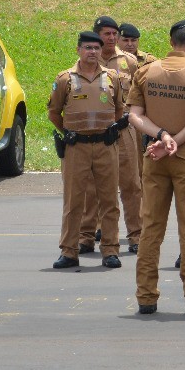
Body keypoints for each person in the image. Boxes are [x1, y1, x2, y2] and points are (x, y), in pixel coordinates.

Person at [127, 20, 185, 316]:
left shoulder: (145, 72)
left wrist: (162, 137)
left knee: (150, 228)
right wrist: (176, 141)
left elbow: (134, 116)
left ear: (170, 41)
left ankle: (145, 296)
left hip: (154, 156)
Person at [49, 31, 124, 269]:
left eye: (96, 48)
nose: (93, 52)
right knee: (73, 201)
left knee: (109, 200)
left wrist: (109, 129)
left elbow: (120, 110)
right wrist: (68, 131)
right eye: (88, 48)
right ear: (78, 50)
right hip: (76, 147)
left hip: (105, 145)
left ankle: (110, 250)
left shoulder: (112, 77)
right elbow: (53, 113)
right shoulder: (65, 79)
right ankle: (69, 251)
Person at [79, 16, 141, 254]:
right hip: (94, 132)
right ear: (97, 36)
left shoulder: (129, 62)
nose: (113, 38)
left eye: (115, 34)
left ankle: (136, 235)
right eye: (107, 34)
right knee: (92, 187)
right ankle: (87, 235)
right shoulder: (85, 63)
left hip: (123, 129)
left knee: (131, 184)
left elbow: (139, 95)